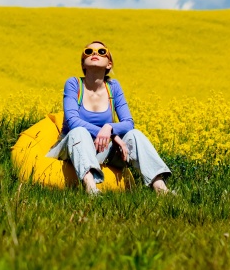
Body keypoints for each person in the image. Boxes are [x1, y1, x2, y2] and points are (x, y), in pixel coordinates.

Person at [46, 41, 172, 195]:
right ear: (83, 65)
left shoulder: (113, 87)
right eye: (88, 51)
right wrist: (113, 136)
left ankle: (161, 189)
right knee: (79, 131)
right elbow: (73, 121)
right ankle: (91, 189)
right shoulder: (74, 84)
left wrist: (110, 128)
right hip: (70, 149)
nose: (94, 53)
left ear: (109, 64)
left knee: (135, 135)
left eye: (101, 51)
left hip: (100, 151)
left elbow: (129, 123)